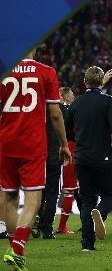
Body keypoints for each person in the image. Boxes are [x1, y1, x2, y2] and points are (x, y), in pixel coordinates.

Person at [0, 50, 70, 270]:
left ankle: (15, 251)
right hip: (32, 144)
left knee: (9, 198)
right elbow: (55, 114)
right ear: (36, 48)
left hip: (6, 142)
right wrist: (64, 144)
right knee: (33, 199)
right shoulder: (46, 72)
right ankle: (18, 248)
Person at [65, 66, 112, 252]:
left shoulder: (76, 103)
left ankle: (87, 245)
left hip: (81, 158)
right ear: (101, 82)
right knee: (109, 195)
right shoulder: (108, 101)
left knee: (87, 199)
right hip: (102, 156)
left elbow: (68, 132)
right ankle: (101, 211)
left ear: (84, 81)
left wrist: (80, 140)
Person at [56, 87, 79, 235]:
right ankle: (61, 226)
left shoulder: (56, 110)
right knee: (69, 190)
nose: (74, 97)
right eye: (71, 95)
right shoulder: (68, 111)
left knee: (52, 191)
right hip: (69, 151)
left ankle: (44, 223)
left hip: (57, 151)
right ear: (65, 97)